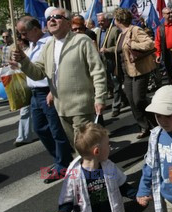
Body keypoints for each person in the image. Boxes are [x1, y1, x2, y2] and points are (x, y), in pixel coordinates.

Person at [12, 8, 107, 147]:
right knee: (76, 147)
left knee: (85, 148)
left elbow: (97, 71)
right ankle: (91, 166)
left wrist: (100, 97)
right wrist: (23, 60)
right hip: (61, 107)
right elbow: (38, 73)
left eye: (57, 17)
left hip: (81, 106)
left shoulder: (82, 40)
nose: (52, 20)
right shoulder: (49, 45)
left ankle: (96, 168)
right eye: (50, 18)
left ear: (68, 23)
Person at [15, 16, 73, 181]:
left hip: (47, 91)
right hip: (35, 93)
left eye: (24, 32)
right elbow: (34, 68)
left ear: (35, 29)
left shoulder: (49, 43)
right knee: (40, 128)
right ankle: (60, 158)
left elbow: (57, 67)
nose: (22, 36)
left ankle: (64, 164)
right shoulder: (32, 44)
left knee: (56, 130)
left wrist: (52, 89)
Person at [49, 123, 136, 212]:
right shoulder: (74, 175)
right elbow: (68, 199)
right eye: (107, 144)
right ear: (97, 151)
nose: (110, 147)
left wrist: (138, 195)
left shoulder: (109, 167)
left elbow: (123, 186)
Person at [113, 8, 157, 138]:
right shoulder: (121, 34)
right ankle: (144, 126)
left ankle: (156, 119)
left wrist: (133, 44)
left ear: (118, 20)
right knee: (132, 101)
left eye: (114, 19)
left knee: (139, 100)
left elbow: (150, 43)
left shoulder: (135, 30)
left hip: (139, 70)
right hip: (126, 72)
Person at [96, 12, 128, 117]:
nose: (100, 23)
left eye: (102, 21)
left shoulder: (114, 31)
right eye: (99, 21)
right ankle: (125, 99)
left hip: (114, 61)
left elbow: (119, 46)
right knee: (110, 85)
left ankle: (116, 107)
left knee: (116, 84)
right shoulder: (99, 31)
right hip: (104, 62)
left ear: (108, 21)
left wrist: (107, 50)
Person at [13, 35, 37, 147]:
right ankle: (23, 136)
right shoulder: (19, 52)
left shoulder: (30, 50)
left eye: (18, 40)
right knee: (25, 110)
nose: (17, 43)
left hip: (36, 84)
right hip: (26, 85)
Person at [155, 8, 172, 80]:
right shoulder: (160, 28)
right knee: (169, 72)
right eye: (168, 13)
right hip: (167, 53)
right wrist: (158, 54)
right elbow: (157, 42)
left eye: (171, 13)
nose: (171, 15)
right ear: (163, 15)